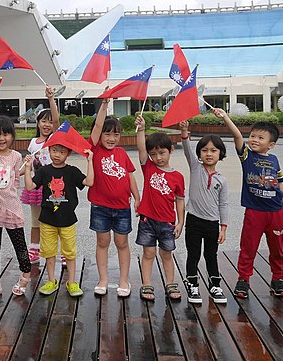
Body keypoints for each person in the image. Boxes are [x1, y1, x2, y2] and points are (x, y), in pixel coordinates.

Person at [214, 108, 283, 299]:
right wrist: (225, 117)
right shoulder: (247, 156)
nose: (254, 139)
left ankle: (278, 279)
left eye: (260, 137)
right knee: (248, 247)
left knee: (277, 249)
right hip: (254, 212)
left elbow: (280, 186)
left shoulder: (274, 160)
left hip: (276, 213)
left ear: (271, 145)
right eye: (253, 135)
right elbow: (237, 135)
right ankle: (243, 279)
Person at [23, 143, 93, 297]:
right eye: (54, 151)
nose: (57, 154)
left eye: (62, 152)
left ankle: (72, 281)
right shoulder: (44, 171)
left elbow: (89, 182)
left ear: (68, 153)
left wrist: (90, 161)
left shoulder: (72, 171)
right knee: (49, 252)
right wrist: (28, 168)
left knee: (69, 252)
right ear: (49, 151)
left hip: (67, 220)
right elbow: (29, 186)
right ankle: (51, 280)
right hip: (47, 220)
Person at [88, 96, 139, 297]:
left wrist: (137, 198)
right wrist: (104, 104)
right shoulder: (95, 150)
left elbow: (130, 176)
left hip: (122, 207)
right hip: (100, 207)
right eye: (107, 134)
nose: (111, 138)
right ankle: (103, 279)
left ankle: (124, 281)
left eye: (116, 134)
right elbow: (98, 124)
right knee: (102, 242)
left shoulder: (122, 154)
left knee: (122, 243)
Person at [0, 101, 32, 300]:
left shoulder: (17, 156)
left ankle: (26, 274)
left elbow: (14, 181)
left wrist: (24, 168)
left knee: (20, 244)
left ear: (12, 136)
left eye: (6, 134)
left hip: (11, 208)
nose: (1, 138)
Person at [134, 115, 185, 302]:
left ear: (171, 150)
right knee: (148, 253)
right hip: (147, 220)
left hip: (168, 222)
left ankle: (170, 283)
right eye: (153, 154)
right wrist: (141, 129)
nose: (158, 157)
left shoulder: (178, 176)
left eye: (162, 153)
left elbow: (180, 200)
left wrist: (181, 222)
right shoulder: (148, 168)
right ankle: (146, 283)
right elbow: (141, 148)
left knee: (166, 253)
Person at [179, 120, 229, 304]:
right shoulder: (195, 167)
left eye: (213, 150)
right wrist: (184, 132)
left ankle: (214, 285)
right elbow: (186, 149)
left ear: (220, 154)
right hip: (193, 221)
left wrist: (223, 227)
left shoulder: (221, 180)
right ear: (199, 153)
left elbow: (223, 204)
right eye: (205, 150)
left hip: (212, 224)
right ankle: (192, 284)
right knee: (193, 254)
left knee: (211, 255)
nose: (209, 153)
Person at [22, 86, 60, 265]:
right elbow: (26, 165)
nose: (47, 125)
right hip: (37, 188)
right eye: (44, 121)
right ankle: (34, 250)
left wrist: (51, 99)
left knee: (57, 221)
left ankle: (62, 252)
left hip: (54, 187)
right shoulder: (32, 143)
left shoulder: (55, 139)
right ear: (37, 123)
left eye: (50, 122)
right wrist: (15, 174)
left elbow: (57, 118)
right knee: (36, 222)